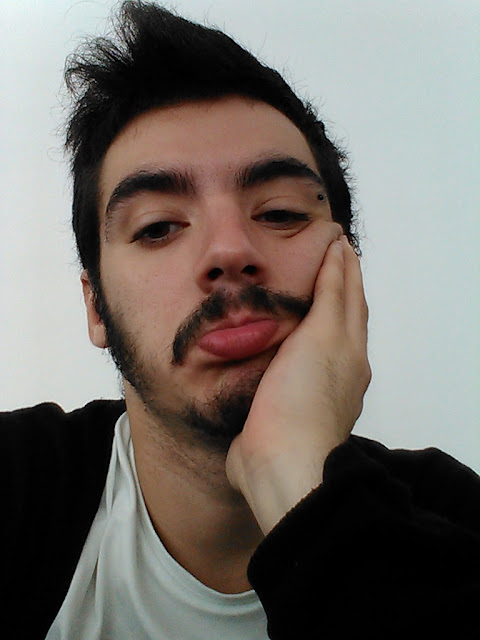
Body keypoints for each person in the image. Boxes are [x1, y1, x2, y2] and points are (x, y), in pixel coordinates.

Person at [2, 1, 479, 638]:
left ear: (348, 265)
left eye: (280, 213)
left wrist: (297, 476)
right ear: (96, 307)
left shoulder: (455, 516)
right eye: (158, 227)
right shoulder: (15, 480)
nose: (229, 251)